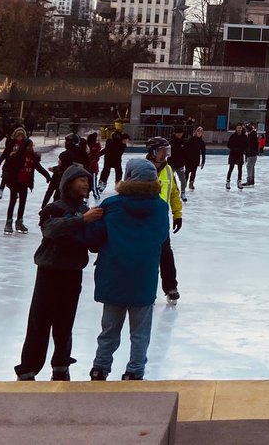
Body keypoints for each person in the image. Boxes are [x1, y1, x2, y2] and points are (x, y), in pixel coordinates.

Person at [15, 164, 104, 380]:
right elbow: (51, 230)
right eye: (80, 180)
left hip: (73, 272)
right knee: (40, 321)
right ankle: (29, 367)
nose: (85, 184)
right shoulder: (53, 208)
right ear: (68, 183)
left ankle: (61, 364)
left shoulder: (86, 211)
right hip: (49, 272)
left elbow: (93, 243)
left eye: (87, 180)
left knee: (65, 322)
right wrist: (82, 221)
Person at [86, 158, 170, 381]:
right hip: (144, 276)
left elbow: (94, 239)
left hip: (113, 274)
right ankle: (134, 371)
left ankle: (100, 368)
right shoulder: (161, 207)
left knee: (109, 330)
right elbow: (162, 238)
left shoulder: (111, 205)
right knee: (140, 333)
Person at [144, 136, 183, 302]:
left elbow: (174, 193)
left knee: (166, 254)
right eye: (161, 151)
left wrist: (177, 214)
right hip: (142, 219)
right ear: (153, 152)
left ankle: (170, 287)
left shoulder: (168, 169)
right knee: (144, 255)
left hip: (161, 220)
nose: (165, 155)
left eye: (166, 151)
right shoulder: (142, 168)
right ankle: (144, 287)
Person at [1, 136, 52, 234]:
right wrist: (6, 181)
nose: (30, 148)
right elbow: (7, 167)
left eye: (31, 146)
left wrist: (47, 176)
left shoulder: (32, 157)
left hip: (25, 183)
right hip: (15, 182)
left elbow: (38, 167)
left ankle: (19, 221)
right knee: (12, 202)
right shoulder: (17, 156)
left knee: (22, 203)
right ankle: (9, 222)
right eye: (29, 146)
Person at [226, 123, 249, 190]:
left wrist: (244, 152)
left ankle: (239, 182)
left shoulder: (244, 137)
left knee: (240, 169)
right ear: (236, 128)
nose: (239, 129)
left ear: (242, 128)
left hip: (240, 154)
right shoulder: (233, 136)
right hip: (233, 154)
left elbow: (246, 146)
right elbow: (228, 145)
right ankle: (228, 182)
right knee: (231, 168)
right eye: (238, 127)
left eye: (240, 128)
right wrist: (234, 148)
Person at [168, 126, 188, 198]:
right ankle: (175, 190)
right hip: (171, 164)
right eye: (177, 133)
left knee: (183, 179)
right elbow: (168, 153)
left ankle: (183, 192)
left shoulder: (184, 142)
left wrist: (185, 161)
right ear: (175, 134)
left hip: (180, 164)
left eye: (180, 133)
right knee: (171, 178)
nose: (179, 135)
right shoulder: (171, 142)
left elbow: (186, 153)